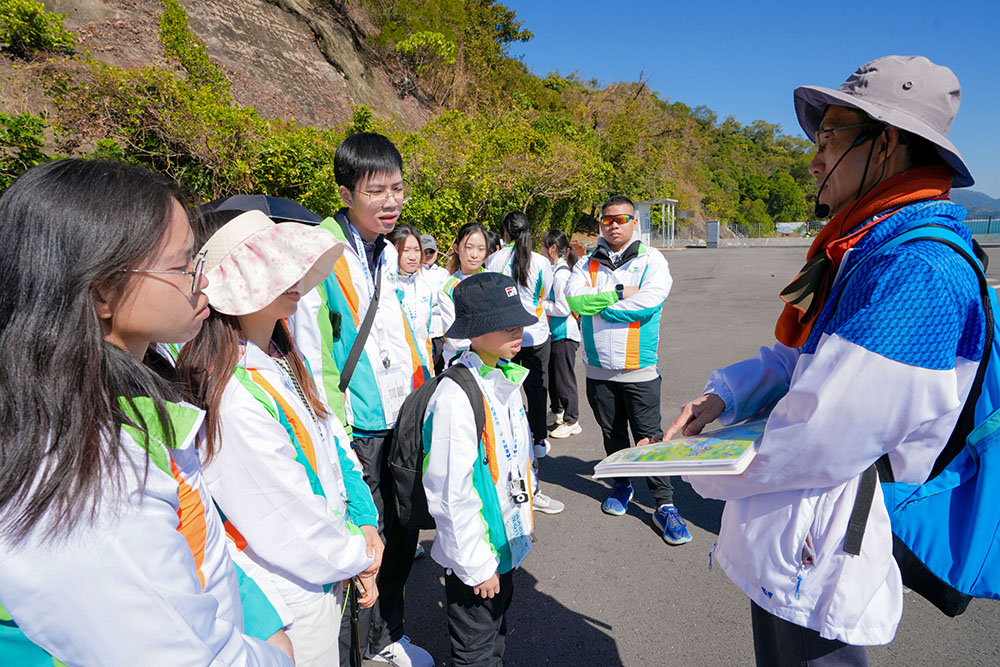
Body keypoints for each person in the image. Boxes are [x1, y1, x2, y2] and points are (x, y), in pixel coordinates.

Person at [665, 55, 980, 665]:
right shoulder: (869, 242)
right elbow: (798, 361)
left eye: (830, 136)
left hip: (827, 549)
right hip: (799, 536)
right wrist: (722, 396)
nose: (814, 156)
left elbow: (822, 437)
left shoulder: (918, 270)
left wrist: (693, 465)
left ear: (886, 144)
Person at [0, 159, 291, 665]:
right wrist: (277, 654)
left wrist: (260, 621)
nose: (204, 279)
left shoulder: (123, 403)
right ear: (102, 291)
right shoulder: (83, 481)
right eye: (183, 266)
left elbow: (198, 543)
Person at [178, 209, 380, 666]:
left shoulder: (281, 354)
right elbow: (286, 516)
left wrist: (363, 525)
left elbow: (331, 439)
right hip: (293, 593)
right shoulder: (231, 390)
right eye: (273, 264)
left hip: (323, 571)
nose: (294, 273)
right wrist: (359, 553)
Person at [288, 132, 433, 667]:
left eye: (397, 188)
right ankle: (354, 650)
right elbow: (311, 353)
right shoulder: (322, 254)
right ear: (346, 191)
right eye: (377, 190)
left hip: (403, 422)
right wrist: (334, 434)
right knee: (363, 550)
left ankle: (386, 637)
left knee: (400, 542)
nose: (391, 201)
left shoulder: (390, 252)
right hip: (358, 432)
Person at [422, 272, 537, 667]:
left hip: (504, 541)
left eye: (519, 320)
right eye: (506, 324)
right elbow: (450, 494)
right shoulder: (457, 394)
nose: (517, 330)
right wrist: (476, 566)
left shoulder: (504, 377)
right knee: (474, 652)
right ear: (474, 329)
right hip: (479, 556)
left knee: (496, 637)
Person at [566, 195, 691, 544]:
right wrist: (621, 294)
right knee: (612, 435)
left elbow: (649, 303)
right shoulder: (586, 262)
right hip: (598, 370)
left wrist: (602, 307)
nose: (614, 225)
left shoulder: (653, 260)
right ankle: (622, 485)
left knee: (649, 438)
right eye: (607, 220)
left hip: (639, 369)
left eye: (621, 218)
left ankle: (665, 505)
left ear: (635, 222)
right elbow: (575, 301)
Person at [486, 212, 564, 515]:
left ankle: (505, 440)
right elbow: (545, 296)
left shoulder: (495, 260)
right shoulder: (541, 262)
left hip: (504, 336)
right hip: (535, 333)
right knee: (536, 390)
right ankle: (539, 439)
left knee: (504, 391)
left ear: (504, 232)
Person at [541, 229, 582, 439]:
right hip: (555, 333)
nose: (540, 249)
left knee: (564, 379)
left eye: (543, 245)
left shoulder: (562, 273)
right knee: (555, 377)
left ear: (553, 248)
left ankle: (572, 420)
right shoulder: (554, 270)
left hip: (565, 333)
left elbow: (563, 308)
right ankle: (557, 412)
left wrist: (540, 305)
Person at [439, 222, 489, 366]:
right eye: (468, 247)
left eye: (481, 249)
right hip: (460, 363)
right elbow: (455, 339)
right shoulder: (447, 288)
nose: (474, 255)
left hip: (492, 362)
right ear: (456, 248)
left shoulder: (494, 281)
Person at [391, 224, 435, 367]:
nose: (412, 257)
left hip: (422, 365)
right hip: (395, 364)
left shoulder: (425, 289)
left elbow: (425, 334)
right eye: (405, 250)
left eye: (416, 250)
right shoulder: (386, 286)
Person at [420, 233, 450, 374]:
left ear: (437, 250)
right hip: (422, 328)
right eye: (424, 251)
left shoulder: (444, 274)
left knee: (439, 365)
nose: (428, 254)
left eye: (431, 251)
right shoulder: (415, 272)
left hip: (440, 330)